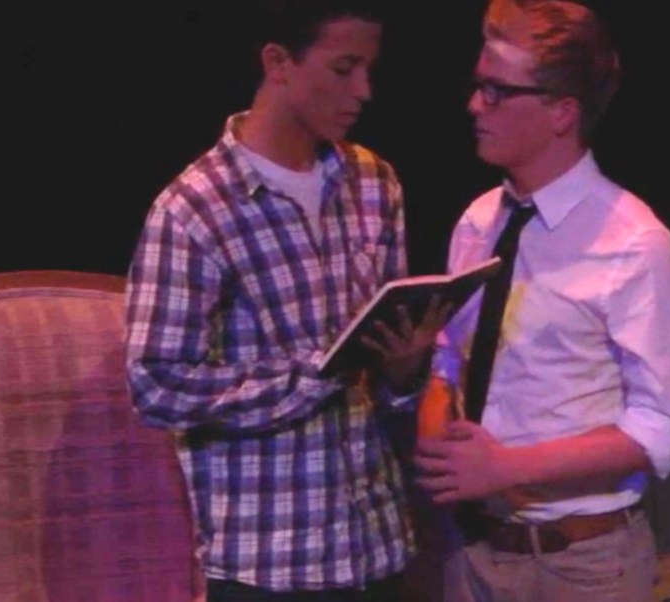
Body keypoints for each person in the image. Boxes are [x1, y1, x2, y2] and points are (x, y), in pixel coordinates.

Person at [123, 2, 445, 600]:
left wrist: (404, 370)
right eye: (344, 68)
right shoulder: (195, 209)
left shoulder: (373, 182)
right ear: (278, 62)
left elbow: (387, 379)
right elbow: (157, 384)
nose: (363, 90)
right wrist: (314, 377)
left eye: (369, 69)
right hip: (269, 560)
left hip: (375, 542)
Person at [414, 0, 670, 600]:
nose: (475, 105)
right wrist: (438, 438)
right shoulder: (478, 222)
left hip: (581, 563)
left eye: (497, 91)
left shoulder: (632, 242)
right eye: (477, 86)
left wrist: (508, 468)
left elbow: (662, 425)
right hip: (474, 549)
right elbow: (450, 358)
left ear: (561, 112)